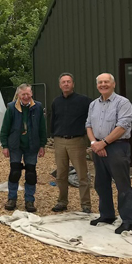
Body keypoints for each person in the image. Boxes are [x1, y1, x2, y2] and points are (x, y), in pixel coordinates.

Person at [86, 73, 132, 234]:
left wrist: (104, 143)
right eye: (100, 82)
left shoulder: (123, 103)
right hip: (98, 147)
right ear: (97, 86)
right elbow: (88, 125)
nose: (103, 84)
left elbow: (122, 126)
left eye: (106, 82)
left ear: (113, 84)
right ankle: (107, 215)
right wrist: (95, 143)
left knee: (122, 185)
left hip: (117, 147)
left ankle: (129, 220)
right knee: (101, 183)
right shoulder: (94, 104)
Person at [0, 84, 47, 212]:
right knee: (15, 172)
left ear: (31, 94)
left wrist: (42, 145)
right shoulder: (11, 107)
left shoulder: (37, 107)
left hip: (32, 146)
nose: (26, 97)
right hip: (15, 145)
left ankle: (29, 200)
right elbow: (5, 128)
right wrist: (5, 145)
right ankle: (12, 198)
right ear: (18, 95)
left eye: (28, 94)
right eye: (23, 94)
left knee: (31, 174)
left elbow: (42, 127)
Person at [51, 73, 92, 213]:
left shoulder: (84, 101)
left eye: (68, 81)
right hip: (59, 141)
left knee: (82, 175)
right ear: (60, 85)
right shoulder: (56, 102)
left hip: (77, 141)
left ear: (73, 84)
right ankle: (62, 201)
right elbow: (53, 120)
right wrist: (53, 136)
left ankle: (86, 204)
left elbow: (93, 117)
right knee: (61, 174)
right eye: (63, 82)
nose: (66, 84)